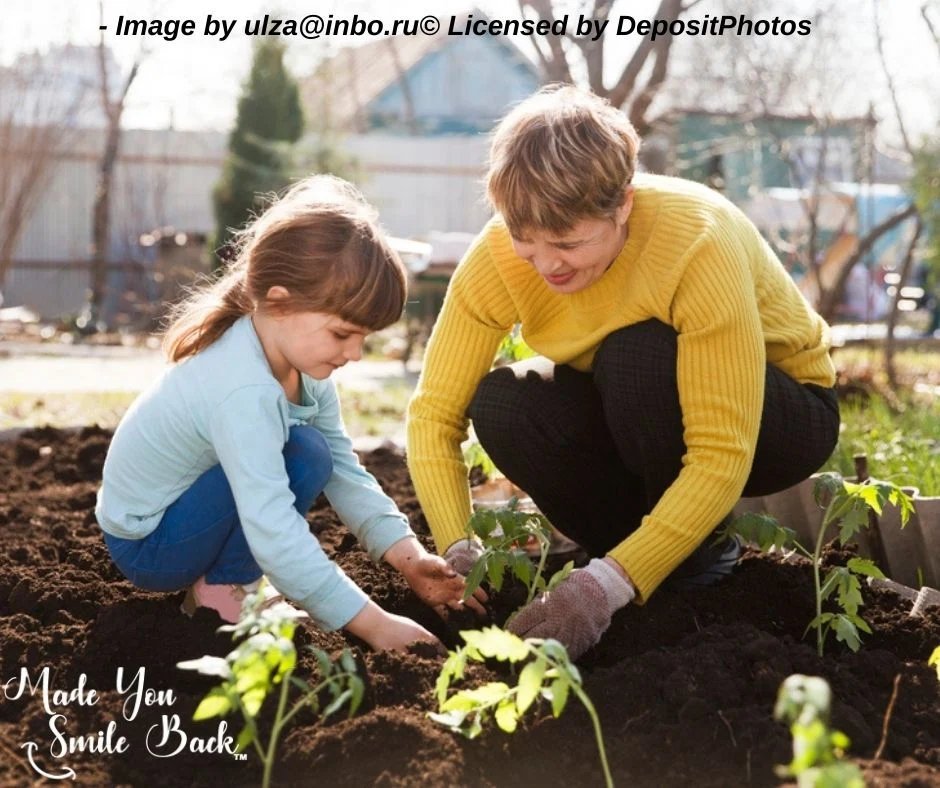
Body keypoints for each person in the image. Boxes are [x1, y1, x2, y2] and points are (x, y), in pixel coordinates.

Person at [407, 85, 840, 660]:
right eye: (525, 240)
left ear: (624, 205)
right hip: (629, 405)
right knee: (506, 402)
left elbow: (720, 452)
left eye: (568, 242)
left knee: (636, 353)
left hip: (779, 416)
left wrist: (603, 589)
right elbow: (434, 414)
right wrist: (459, 550)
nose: (546, 264)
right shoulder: (497, 259)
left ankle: (689, 559)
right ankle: (623, 552)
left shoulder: (697, 238)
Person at [96, 176, 484, 654]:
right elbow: (273, 528)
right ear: (279, 303)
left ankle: (226, 581)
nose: (356, 354)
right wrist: (375, 625)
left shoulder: (302, 368)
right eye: (343, 334)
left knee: (311, 453)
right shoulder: (242, 387)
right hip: (149, 544)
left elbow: (344, 470)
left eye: (365, 337)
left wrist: (408, 557)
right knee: (298, 456)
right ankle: (223, 591)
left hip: (184, 518)